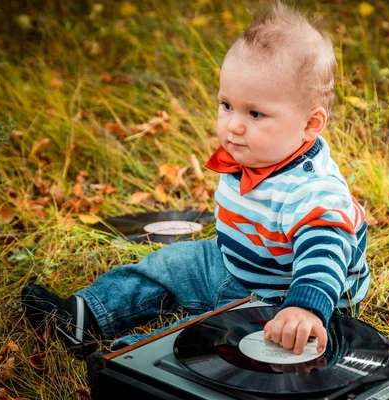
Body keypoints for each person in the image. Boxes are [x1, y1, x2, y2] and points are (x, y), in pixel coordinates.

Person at [21, 1, 370, 359]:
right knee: (168, 265)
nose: (233, 124)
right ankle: (84, 316)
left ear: (310, 124)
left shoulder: (314, 190)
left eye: (255, 113)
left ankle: (132, 362)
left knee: (213, 332)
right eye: (227, 105)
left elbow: (324, 253)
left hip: (285, 302)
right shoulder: (255, 152)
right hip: (232, 267)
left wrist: (305, 308)